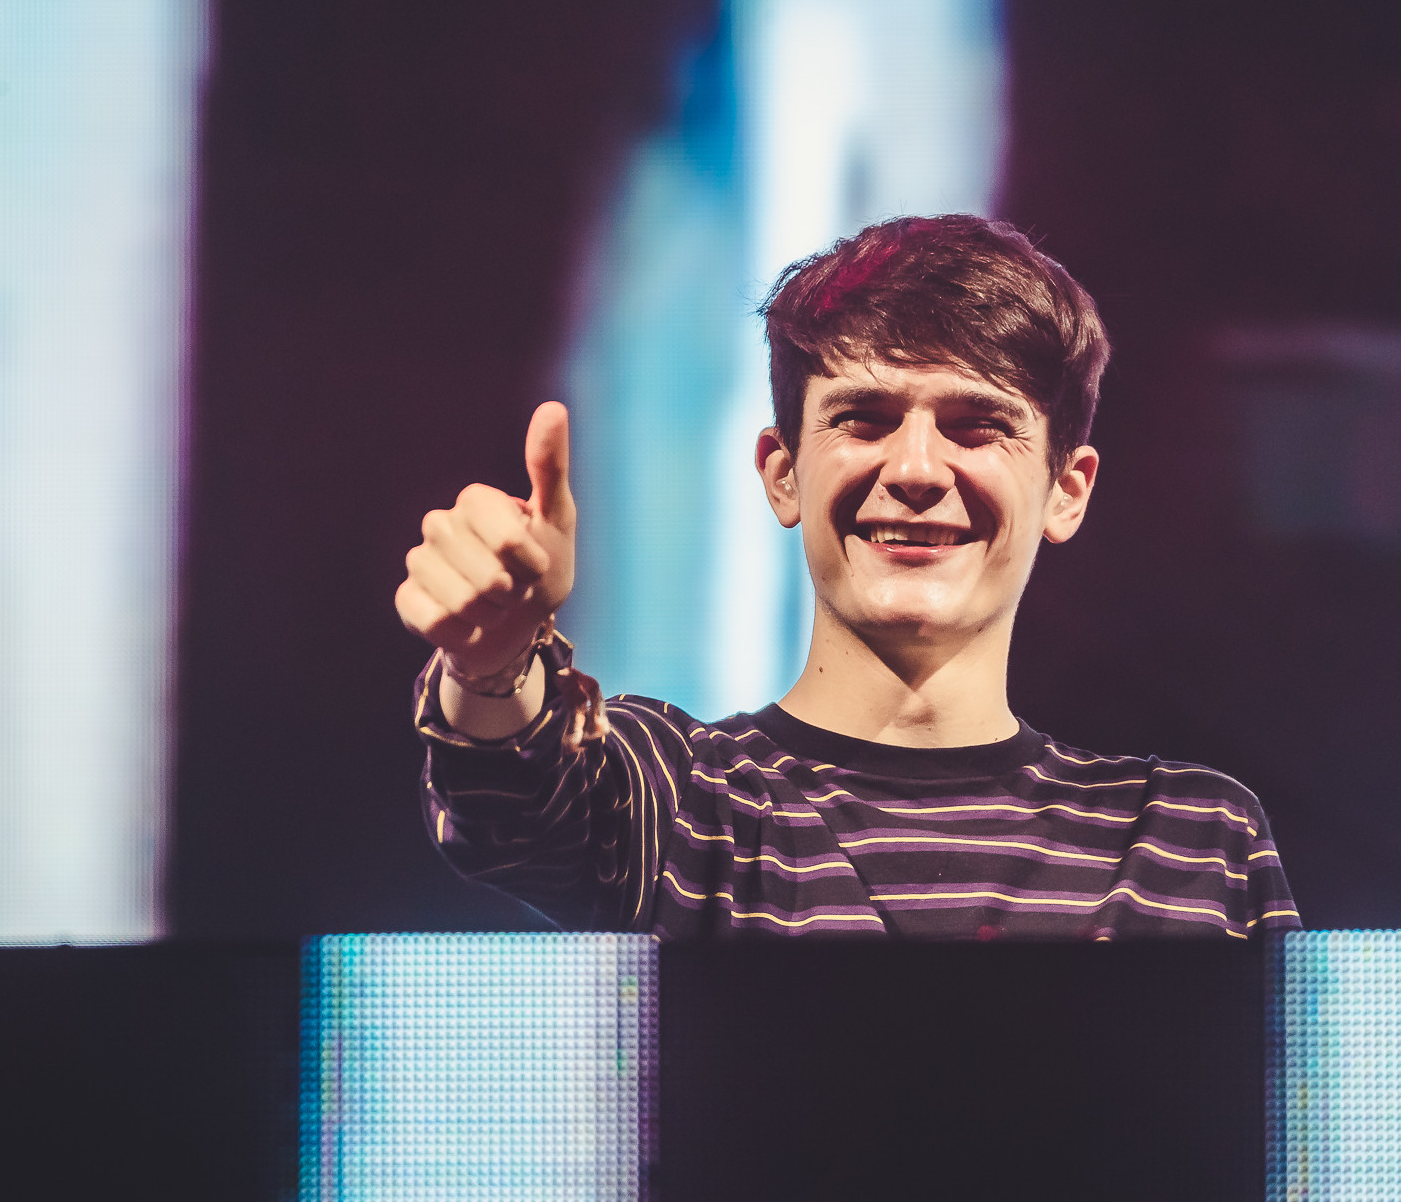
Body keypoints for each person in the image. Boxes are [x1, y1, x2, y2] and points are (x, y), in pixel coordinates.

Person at [395, 214, 1299, 938]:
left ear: (1067, 490)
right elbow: (515, 801)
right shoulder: (684, 806)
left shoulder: (1186, 843)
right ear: (782, 473)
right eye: (864, 419)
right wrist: (495, 660)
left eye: (976, 426)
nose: (916, 468)